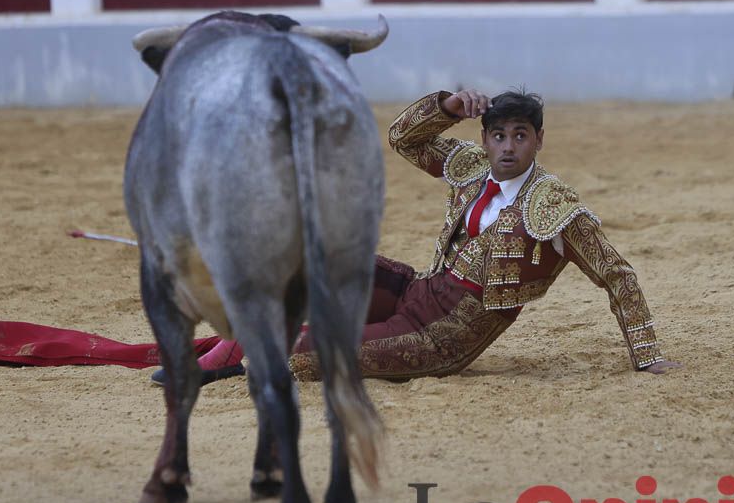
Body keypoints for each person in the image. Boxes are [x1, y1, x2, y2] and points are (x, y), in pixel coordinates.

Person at [162, 88, 679, 386]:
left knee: (302, 355)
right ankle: (227, 350)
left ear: (538, 140)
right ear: (485, 138)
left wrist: (646, 353)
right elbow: (402, 139)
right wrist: (448, 107)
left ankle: (234, 356)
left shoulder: (556, 209)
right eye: (499, 135)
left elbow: (617, 274)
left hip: (444, 338)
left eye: (521, 136)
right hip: (417, 291)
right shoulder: (473, 167)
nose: (508, 147)